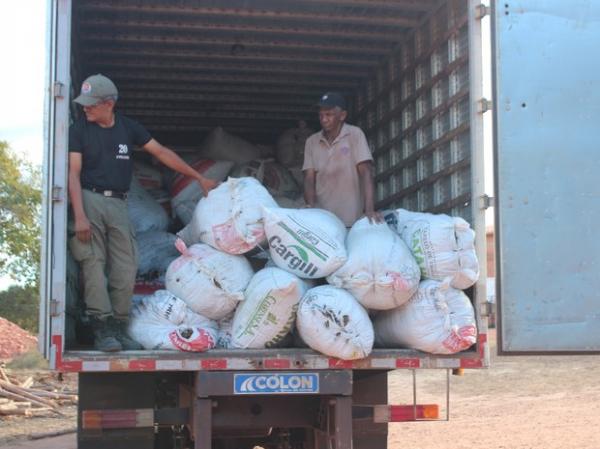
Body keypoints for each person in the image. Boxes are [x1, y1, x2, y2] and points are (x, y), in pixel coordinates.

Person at [68, 74, 217, 352]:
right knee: (93, 264)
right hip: (90, 200)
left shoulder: (127, 128)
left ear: (109, 103)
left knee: (127, 266)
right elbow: (72, 174)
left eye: (91, 104)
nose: (85, 108)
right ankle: (103, 329)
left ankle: (120, 326)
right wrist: (79, 215)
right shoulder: (79, 131)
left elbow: (161, 152)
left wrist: (198, 177)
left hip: (119, 204)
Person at [302, 92, 383, 226]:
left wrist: (369, 210)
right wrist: (310, 208)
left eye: (329, 114)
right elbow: (309, 179)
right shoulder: (311, 142)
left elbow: (366, 172)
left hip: (352, 220)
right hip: (323, 222)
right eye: (321, 115)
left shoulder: (355, 135)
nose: (324, 119)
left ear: (342, 115)